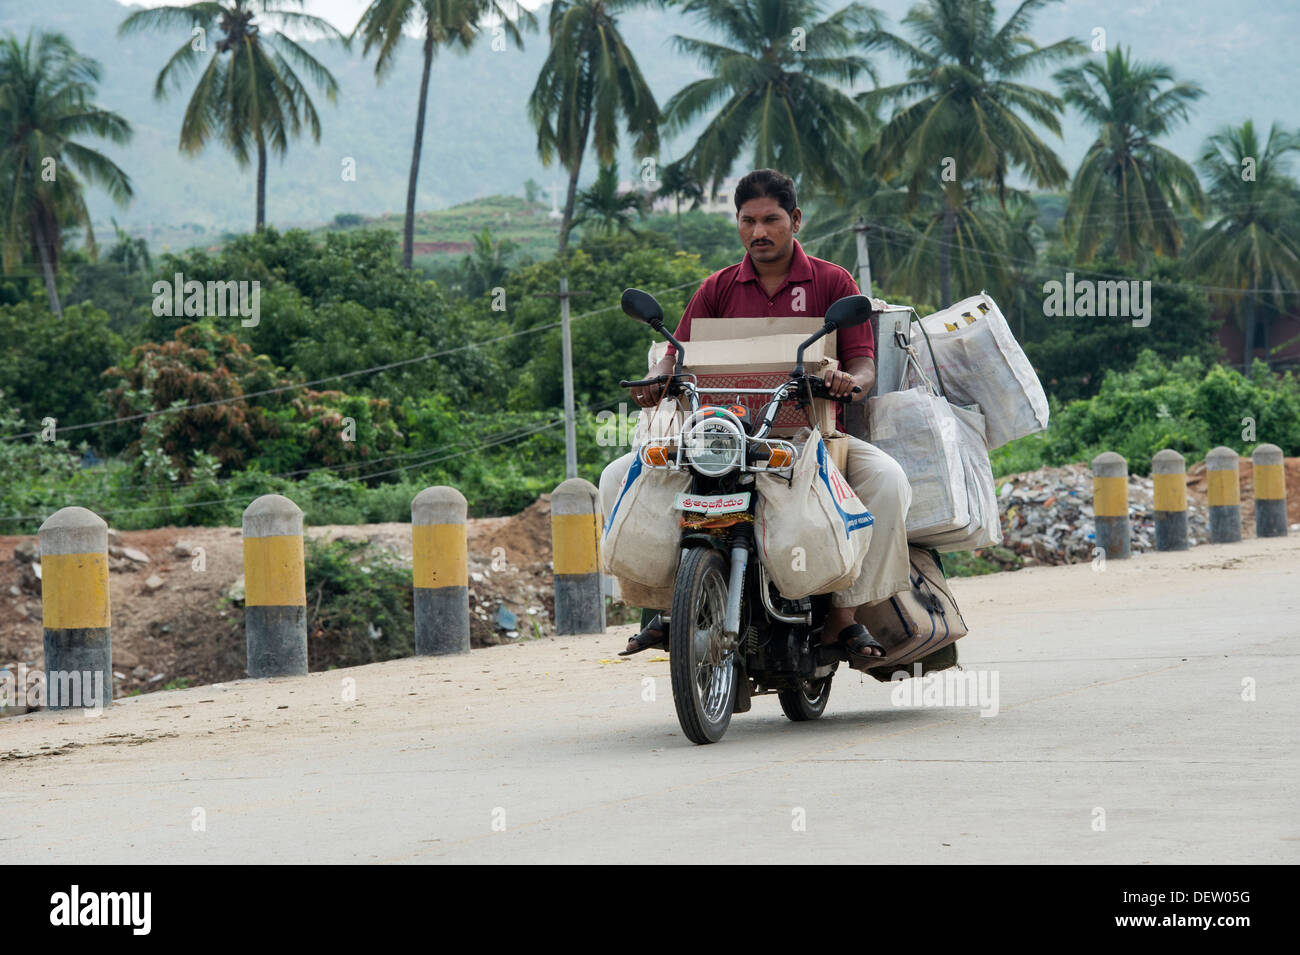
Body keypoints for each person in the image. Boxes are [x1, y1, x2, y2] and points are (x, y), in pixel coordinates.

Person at [599, 168, 912, 664]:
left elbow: (863, 363)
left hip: (812, 439)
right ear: (738, 223)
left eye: (771, 220)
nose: (758, 232)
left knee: (889, 481)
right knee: (617, 475)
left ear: (796, 220)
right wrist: (658, 377)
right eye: (748, 221)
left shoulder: (833, 280)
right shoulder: (718, 287)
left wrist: (850, 382)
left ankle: (845, 616)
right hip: (720, 436)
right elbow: (676, 350)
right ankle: (663, 606)